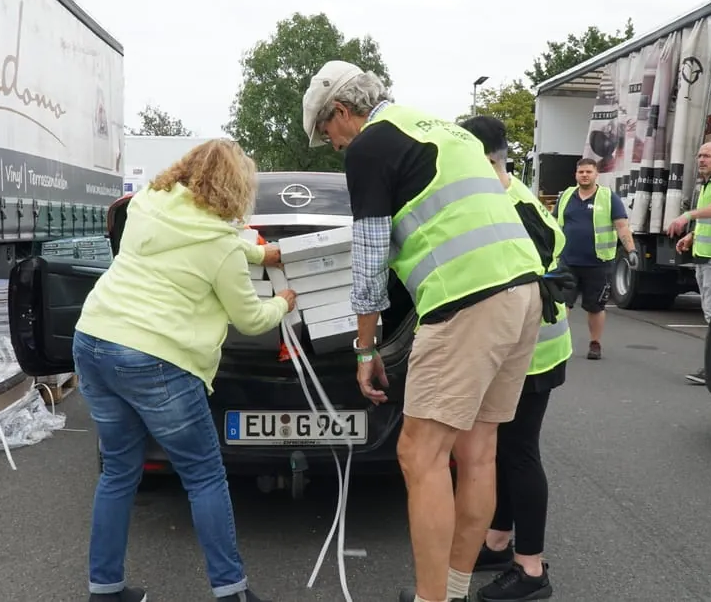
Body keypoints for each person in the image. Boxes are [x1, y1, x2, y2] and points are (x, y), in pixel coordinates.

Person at [302, 61, 546, 602]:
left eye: (327, 132)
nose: (334, 144)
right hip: (523, 291)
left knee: (420, 454)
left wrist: (364, 348)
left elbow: (368, 262)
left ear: (342, 111)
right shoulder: (439, 127)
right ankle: (453, 591)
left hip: (467, 296)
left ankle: (433, 599)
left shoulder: (370, 146)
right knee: (478, 452)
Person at [72, 139, 295, 602]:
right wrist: (282, 302)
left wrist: (260, 255)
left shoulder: (149, 204)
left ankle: (105, 590)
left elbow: (204, 237)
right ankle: (231, 592)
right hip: (157, 359)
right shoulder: (221, 247)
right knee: (204, 476)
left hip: (93, 340)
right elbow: (250, 319)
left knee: (117, 472)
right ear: (236, 187)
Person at [462, 116, 570, 602]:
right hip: (524, 347)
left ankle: (531, 570)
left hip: (532, 350)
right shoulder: (513, 196)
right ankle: (500, 541)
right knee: (505, 449)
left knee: (520, 452)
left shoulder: (510, 207)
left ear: (488, 161)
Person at [666, 142, 711, 385]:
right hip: (706, 258)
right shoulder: (707, 185)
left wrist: (688, 215)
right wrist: (691, 236)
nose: (701, 160)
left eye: (707, 156)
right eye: (699, 156)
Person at [554, 158, 636, 360]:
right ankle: (559, 343)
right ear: (576, 174)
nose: (584, 175)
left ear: (596, 174)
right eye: (581, 172)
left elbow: (622, 226)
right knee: (562, 304)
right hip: (567, 261)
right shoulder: (566, 196)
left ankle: (595, 343)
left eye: (588, 172)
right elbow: (554, 225)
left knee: (595, 307)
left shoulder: (608, 197)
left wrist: (631, 250)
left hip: (598, 263)